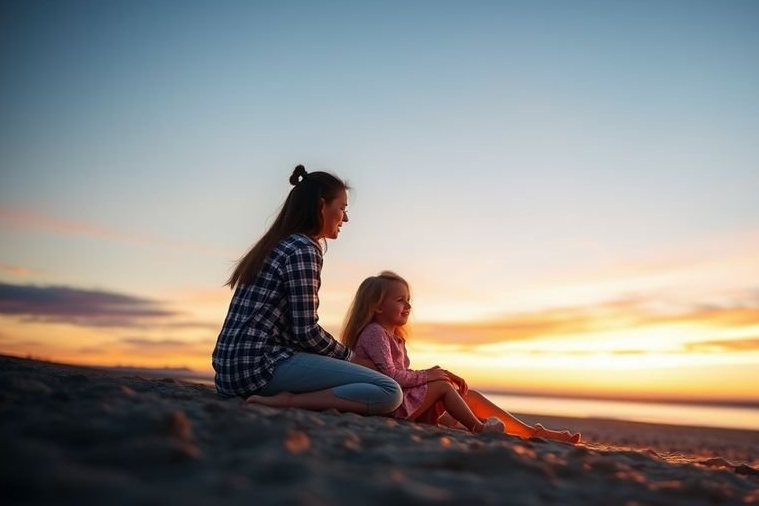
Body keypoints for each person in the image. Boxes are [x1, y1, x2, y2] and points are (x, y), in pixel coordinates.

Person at [212, 166, 403, 415]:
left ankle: (294, 395)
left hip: (228, 372)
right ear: (321, 206)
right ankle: (287, 400)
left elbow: (292, 330)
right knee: (389, 391)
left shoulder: (278, 243)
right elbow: (306, 331)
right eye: (342, 208)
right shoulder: (304, 248)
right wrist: (352, 358)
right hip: (258, 369)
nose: (345, 218)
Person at [341, 271, 583, 443]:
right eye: (400, 300)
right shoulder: (374, 333)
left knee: (470, 397)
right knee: (444, 388)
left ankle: (531, 432)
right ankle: (478, 428)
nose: (408, 305)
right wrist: (432, 377)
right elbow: (390, 376)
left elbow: (401, 374)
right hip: (389, 405)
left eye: (409, 300)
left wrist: (437, 374)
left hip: (402, 401)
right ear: (377, 306)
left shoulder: (394, 337)